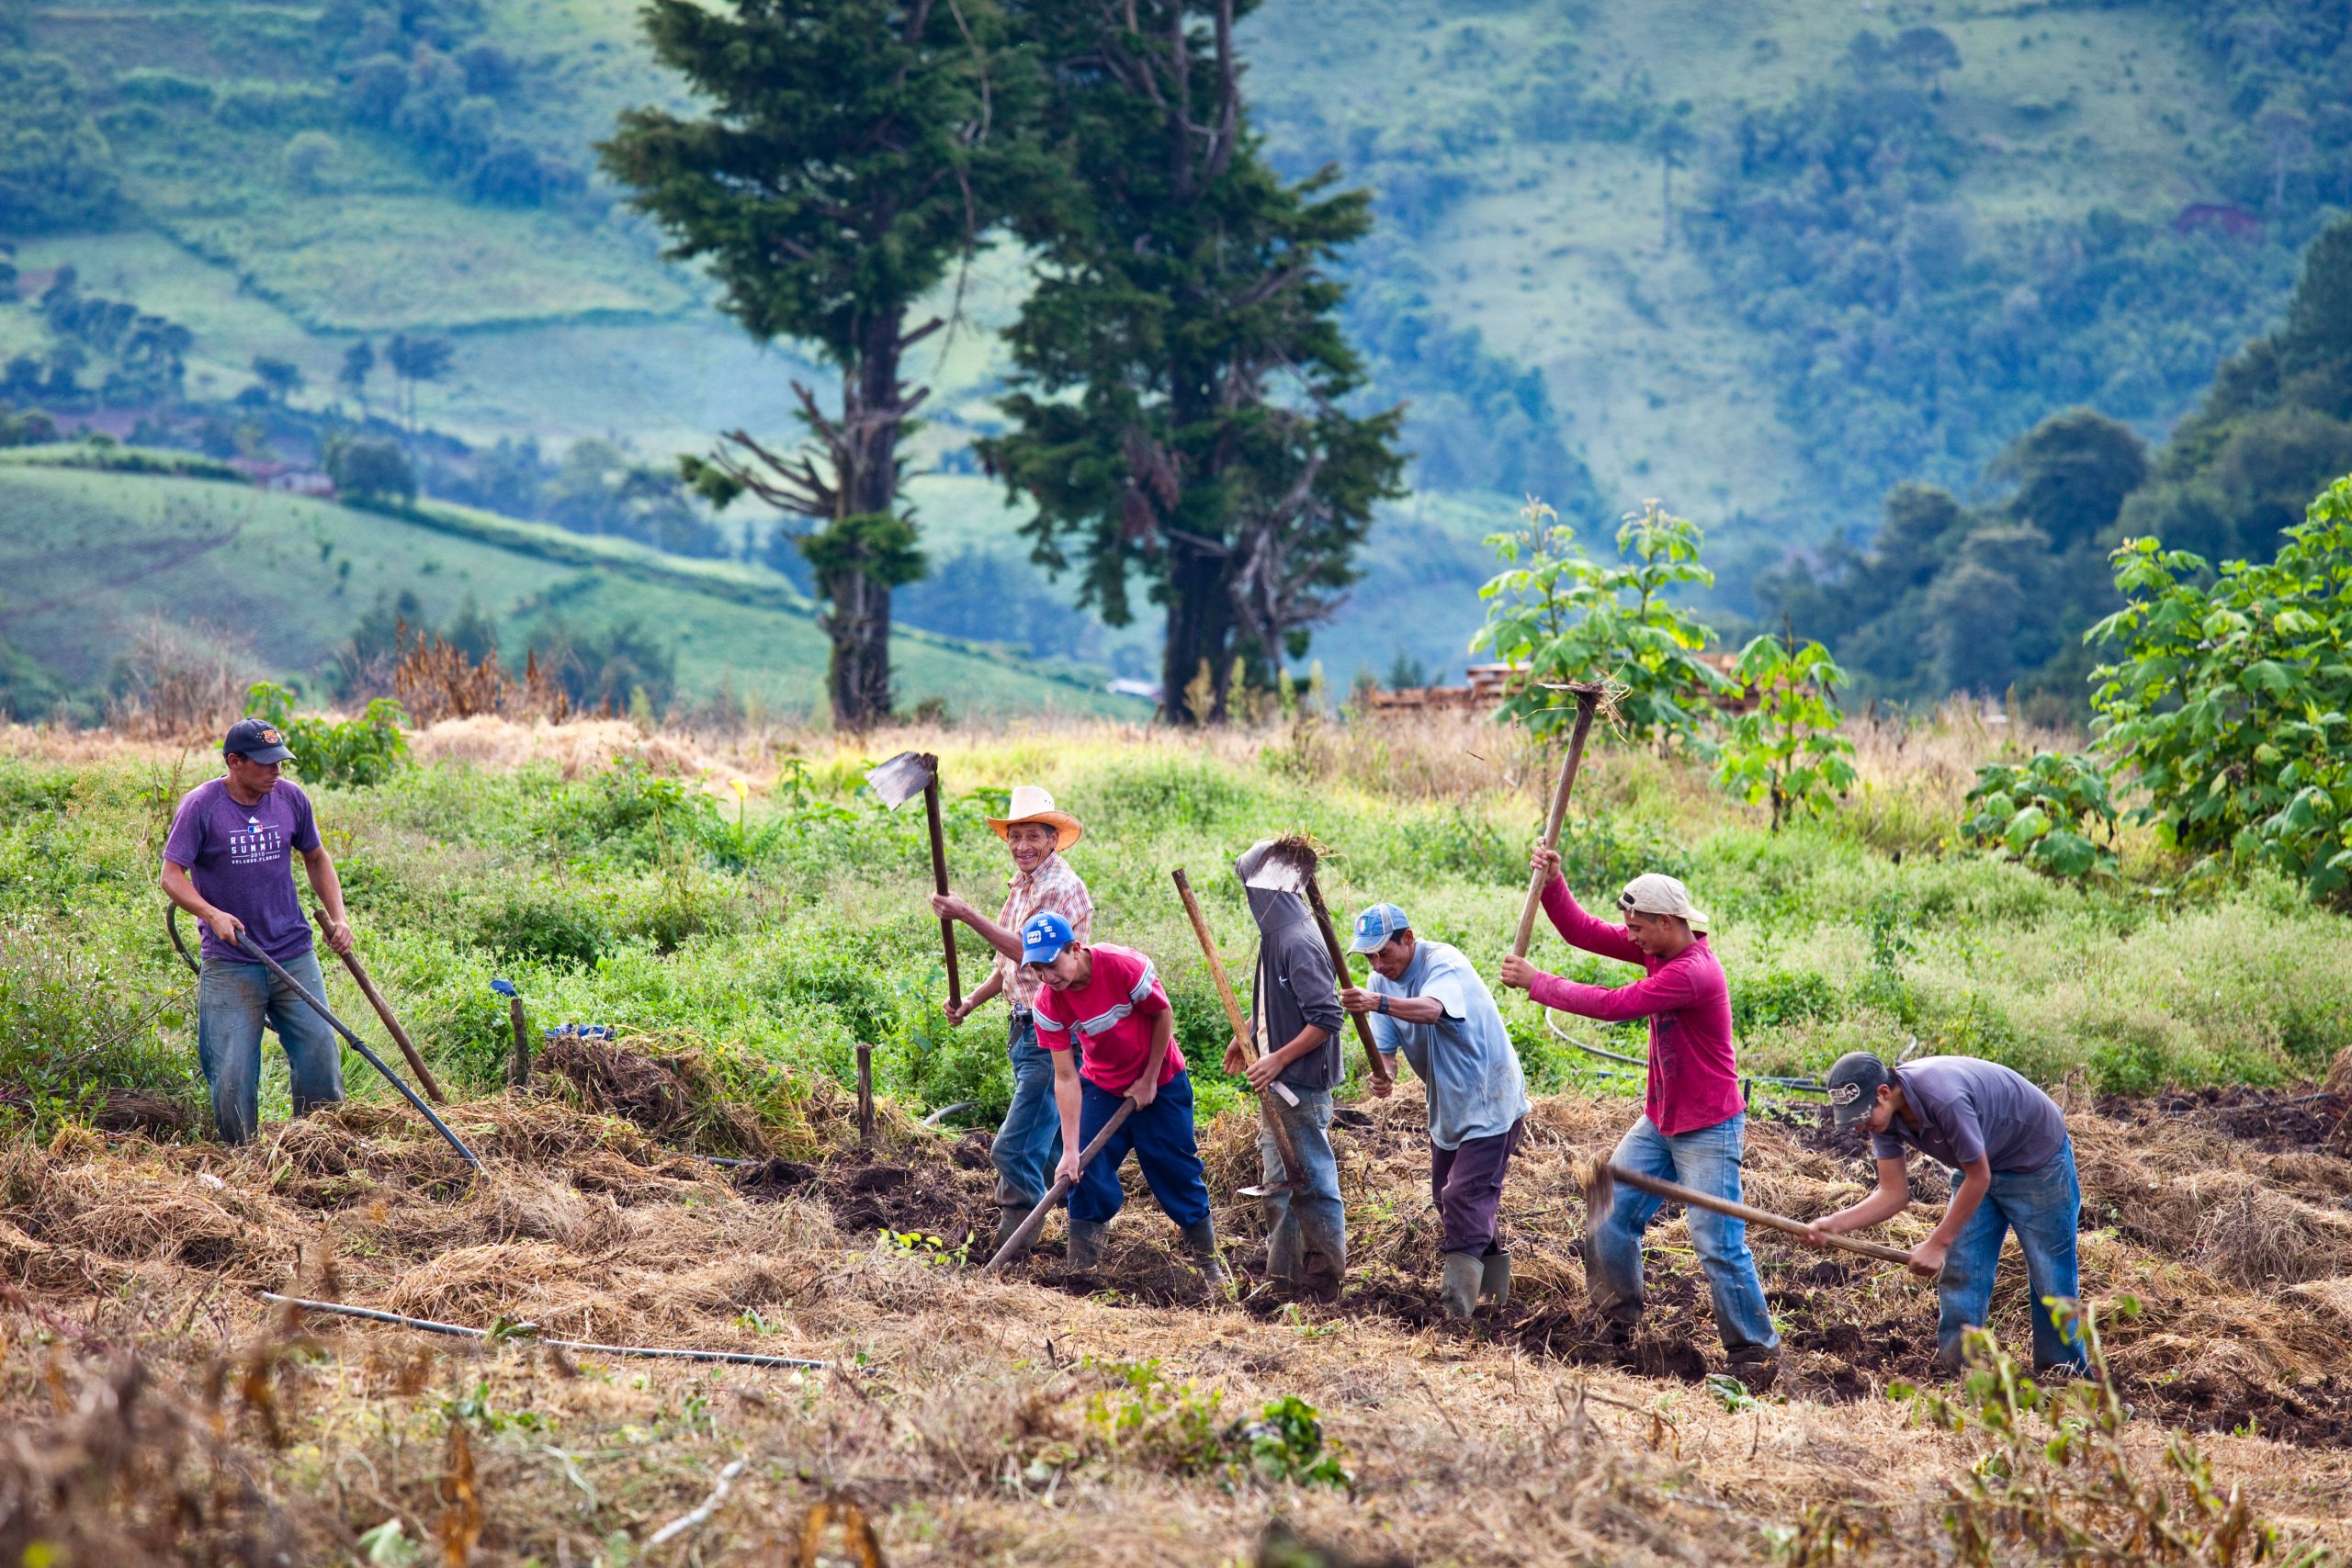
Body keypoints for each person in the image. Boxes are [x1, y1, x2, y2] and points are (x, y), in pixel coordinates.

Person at [1498, 850, 1781, 1387]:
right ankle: (1617, 1321)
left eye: (1638, 928)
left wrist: (1539, 983)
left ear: (1668, 924)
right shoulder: (1656, 947)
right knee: (1605, 1206)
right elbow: (1583, 932)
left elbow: (1612, 1004)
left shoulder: (1692, 972)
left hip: (1709, 1128)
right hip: (1662, 1119)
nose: (1629, 937)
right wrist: (1554, 883)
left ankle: (1755, 1353)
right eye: (1628, 927)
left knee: (1717, 1242)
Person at [1807, 1052, 2086, 1375]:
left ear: (1884, 1092)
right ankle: (1963, 1370)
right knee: (1961, 1266)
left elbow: (1979, 1176)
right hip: (1978, 1166)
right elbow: (1893, 1193)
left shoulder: (1942, 1096)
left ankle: (2064, 1375)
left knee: (2050, 1276)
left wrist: (1937, 1243)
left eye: (1863, 1115)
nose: (1860, 1126)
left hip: (2036, 1161)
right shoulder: (1882, 1118)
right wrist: (1833, 1225)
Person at [159, 716, 354, 1145]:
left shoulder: (290, 799)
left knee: (320, 1050)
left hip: (292, 952)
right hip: (231, 962)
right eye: (265, 763)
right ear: (234, 761)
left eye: (280, 761)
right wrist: (212, 914)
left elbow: (316, 857)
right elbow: (171, 876)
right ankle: (242, 1162)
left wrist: (338, 917)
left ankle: (316, 1149)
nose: (276, 770)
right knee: (231, 1073)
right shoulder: (202, 805)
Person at [1340, 901, 1529, 1319]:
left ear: (1407, 939)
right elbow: (1385, 1052)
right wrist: (1383, 1074)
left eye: (1383, 952)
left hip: (1489, 1098)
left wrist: (1376, 1003)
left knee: (1463, 1195)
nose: (1376, 963)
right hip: (1447, 1103)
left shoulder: (1444, 963)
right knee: (1450, 1198)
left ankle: (1456, 1309)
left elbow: (1433, 1010)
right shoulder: (1379, 980)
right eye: (1368, 956)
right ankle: (1495, 1298)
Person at [929, 785, 1093, 1259]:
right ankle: (1036, 1242)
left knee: (1012, 1148)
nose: (1022, 845)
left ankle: (1016, 1248)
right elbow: (1008, 961)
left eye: (1033, 837)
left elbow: (1031, 952)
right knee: (1038, 1150)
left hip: (1054, 1033)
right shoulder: (1023, 885)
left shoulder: (1060, 888)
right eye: (1015, 836)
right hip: (1023, 1029)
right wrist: (973, 1001)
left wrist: (964, 913)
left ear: (1053, 839)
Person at [1024, 913, 1226, 1283]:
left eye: (1052, 964)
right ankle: (1082, 1270)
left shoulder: (1123, 966)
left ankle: (1209, 1268)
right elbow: (1066, 1077)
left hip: (1161, 1082)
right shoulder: (1048, 1003)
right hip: (1102, 1086)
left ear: (1075, 948)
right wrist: (1070, 1150)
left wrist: (1149, 1080)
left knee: (1175, 1169)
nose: (1049, 977)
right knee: (1083, 1171)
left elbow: (1162, 1014)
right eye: (1038, 969)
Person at [1221, 840, 1347, 1297]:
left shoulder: (1298, 940)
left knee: (1310, 1183)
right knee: (1280, 1186)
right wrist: (1250, 1034)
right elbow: (1281, 1001)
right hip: (1279, 1083)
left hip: (1299, 1088)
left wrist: (1276, 1058)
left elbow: (1327, 1018)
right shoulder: (1275, 936)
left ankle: (1324, 1279)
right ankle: (1283, 1279)